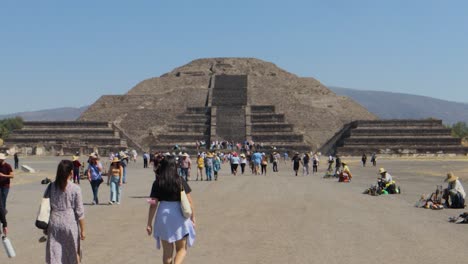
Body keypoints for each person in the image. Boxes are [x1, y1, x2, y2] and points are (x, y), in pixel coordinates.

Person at [146, 157, 196, 264]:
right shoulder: (180, 180)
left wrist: (149, 223)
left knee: (167, 253)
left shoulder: (157, 182)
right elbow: (189, 201)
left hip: (163, 215)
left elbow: (152, 204)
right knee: (182, 249)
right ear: (175, 166)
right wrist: (193, 217)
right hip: (179, 215)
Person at [46, 160, 85, 264]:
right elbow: (80, 212)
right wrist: (83, 230)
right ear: (71, 173)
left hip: (54, 222)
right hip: (69, 223)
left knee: (55, 253)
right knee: (72, 252)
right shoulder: (75, 188)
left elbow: (46, 206)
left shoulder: (51, 186)